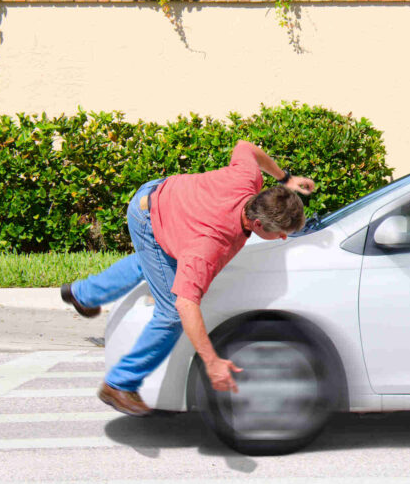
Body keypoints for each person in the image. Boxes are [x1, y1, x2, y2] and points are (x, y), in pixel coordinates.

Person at [60, 140, 315, 417]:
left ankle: (82, 293)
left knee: (152, 263)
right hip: (149, 216)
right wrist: (212, 361)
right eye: (279, 232)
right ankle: (120, 384)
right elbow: (185, 304)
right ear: (256, 223)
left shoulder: (248, 180)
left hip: (164, 196)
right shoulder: (209, 246)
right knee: (169, 312)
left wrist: (285, 178)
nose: (283, 238)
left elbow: (245, 147)